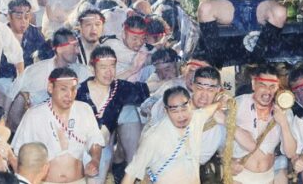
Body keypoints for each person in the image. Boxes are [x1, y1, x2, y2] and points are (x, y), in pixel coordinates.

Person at [12, 67, 104, 184]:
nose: (69, 95)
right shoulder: (34, 115)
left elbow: (95, 139)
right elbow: (18, 154)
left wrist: (95, 160)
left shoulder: (84, 109)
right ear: (50, 88)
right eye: (63, 89)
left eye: (73, 89)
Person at [76, 46, 150, 184]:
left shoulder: (120, 88)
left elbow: (150, 88)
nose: (109, 72)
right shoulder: (79, 92)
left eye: (112, 67)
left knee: (130, 111)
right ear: (92, 68)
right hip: (81, 147)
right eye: (103, 67)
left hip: (105, 147)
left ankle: (130, 170)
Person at [122, 86, 216, 184]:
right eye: (174, 111)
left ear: (190, 104)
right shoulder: (154, 137)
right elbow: (131, 174)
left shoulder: (195, 118)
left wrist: (220, 102)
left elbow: (208, 110)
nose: (181, 116)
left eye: (184, 108)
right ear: (166, 111)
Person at [228, 64, 297, 183]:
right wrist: (228, 162)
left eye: (272, 86)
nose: (268, 91)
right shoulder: (237, 104)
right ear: (254, 84)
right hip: (239, 176)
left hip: (267, 177)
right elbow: (221, 142)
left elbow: (291, 153)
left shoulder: (284, 111)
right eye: (263, 85)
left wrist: (283, 123)